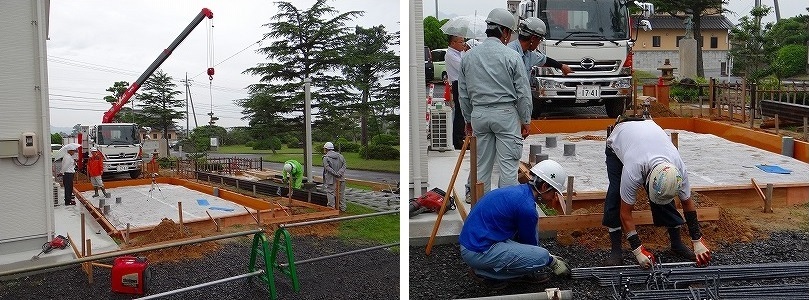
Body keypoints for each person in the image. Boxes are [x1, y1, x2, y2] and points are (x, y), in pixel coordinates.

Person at [603, 119, 711, 268]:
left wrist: (697, 240)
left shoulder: (678, 169)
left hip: (647, 135)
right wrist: (637, 250)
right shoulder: (633, 168)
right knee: (616, 193)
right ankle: (616, 251)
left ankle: (676, 244)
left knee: (666, 191)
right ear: (647, 180)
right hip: (619, 140)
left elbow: (687, 202)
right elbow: (625, 213)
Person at [459, 160, 572, 289]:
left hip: (473, 243)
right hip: (477, 251)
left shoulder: (518, 192)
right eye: (554, 192)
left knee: (537, 249)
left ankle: (487, 266)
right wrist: (551, 261)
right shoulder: (527, 208)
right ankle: (486, 273)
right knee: (541, 258)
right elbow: (531, 246)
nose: (554, 197)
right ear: (545, 187)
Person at [459, 7, 532, 194]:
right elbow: (523, 92)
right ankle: (505, 216)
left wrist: (468, 119)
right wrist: (526, 120)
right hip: (505, 115)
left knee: (482, 167)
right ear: (505, 31)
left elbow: (463, 94)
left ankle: (481, 212)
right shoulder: (512, 56)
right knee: (508, 168)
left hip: (480, 115)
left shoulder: (469, 57)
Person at [507, 17, 573, 76]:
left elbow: (544, 60)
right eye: (540, 39)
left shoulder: (528, 54)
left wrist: (561, 66)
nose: (539, 43)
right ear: (533, 38)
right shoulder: (510, 54)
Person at [445, 34, 467, 150]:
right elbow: (463, 67)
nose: (463, 44)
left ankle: (462, 137)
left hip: (462, 83)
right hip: (457, 83)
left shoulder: (459, 53)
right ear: (453, 43)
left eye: (463, 42)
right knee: (459, 111)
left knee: (463, 111)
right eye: (461, 42)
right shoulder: (451, 54)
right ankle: (457, 140)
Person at [322, 142, 347, 212]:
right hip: (341, 178)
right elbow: (344, 165)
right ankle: (343, 208)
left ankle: (331, 209)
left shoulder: (325, 158)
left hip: (331, 179)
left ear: (326, 149)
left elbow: (327, 168)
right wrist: (339, 173)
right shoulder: (340, 156)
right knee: (341, 193)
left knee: (330, 193)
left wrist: (335, 173)